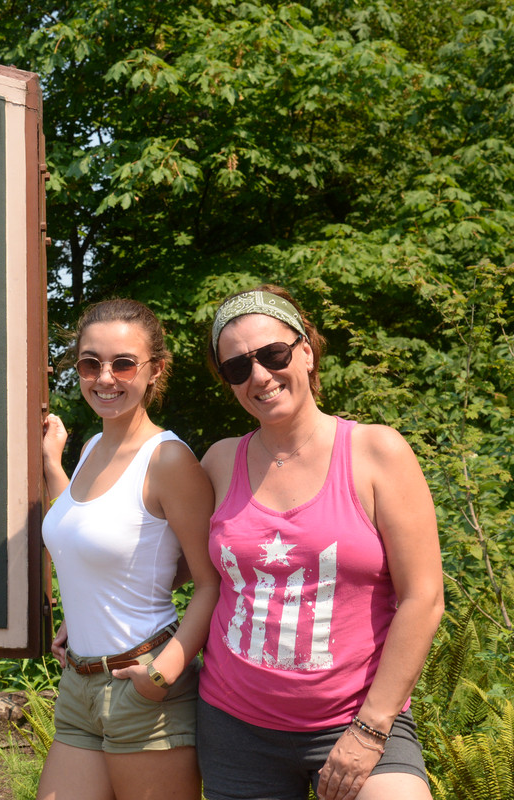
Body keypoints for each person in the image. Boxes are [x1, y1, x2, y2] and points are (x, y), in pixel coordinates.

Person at [197, 285, 444, 800]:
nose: (260, 376)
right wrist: (86, 624)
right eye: (237, 368)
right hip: (235, 726)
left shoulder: (376, 452)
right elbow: (173, 568)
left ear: (306, 352)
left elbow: (424, 598)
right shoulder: (219, 462)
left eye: (273, 354)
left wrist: (371, 728)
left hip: (358, 718)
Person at [38, 298, 218, 800]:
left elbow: (210, 581)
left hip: (145, 687)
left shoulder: (168, 461)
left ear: (154, 370)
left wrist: (163, 674)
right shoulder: (94, 447)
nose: (105, 377)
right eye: (90, 363)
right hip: (79, 685)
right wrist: (54, 464)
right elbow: (85, 533)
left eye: (122, 363)